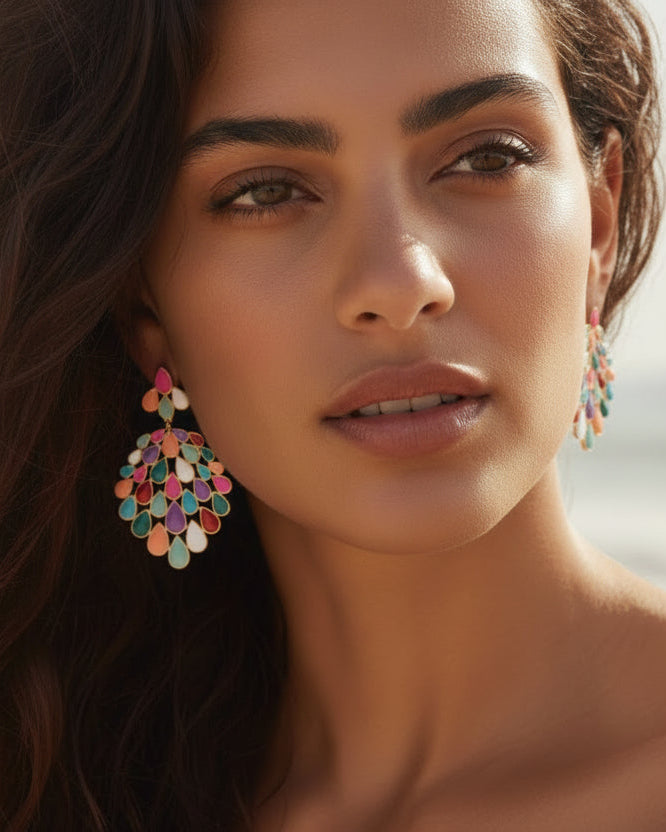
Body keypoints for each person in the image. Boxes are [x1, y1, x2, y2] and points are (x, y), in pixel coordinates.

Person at [1, 0, 664, 829]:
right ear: (148, 308)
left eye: (486, 157)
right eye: (266, 192)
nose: (400, 281)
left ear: (599, 225)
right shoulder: (67, 785)